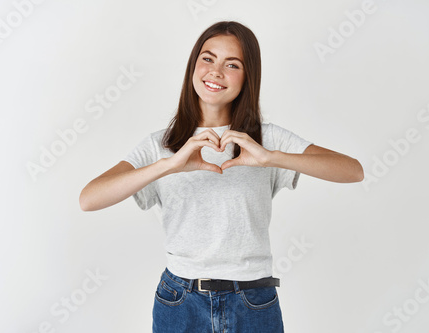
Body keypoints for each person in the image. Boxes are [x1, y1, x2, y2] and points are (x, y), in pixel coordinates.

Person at [79, 20, 363, 333]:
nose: (216, 71)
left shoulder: (263, 140)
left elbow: (352, 170)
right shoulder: (159, 145)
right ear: (193, 66)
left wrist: (271, 157)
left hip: (254, 300)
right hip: (180, 301)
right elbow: (89, 198)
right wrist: (168, 165)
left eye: (232, 64)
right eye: (208, 58)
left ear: (247, 77)